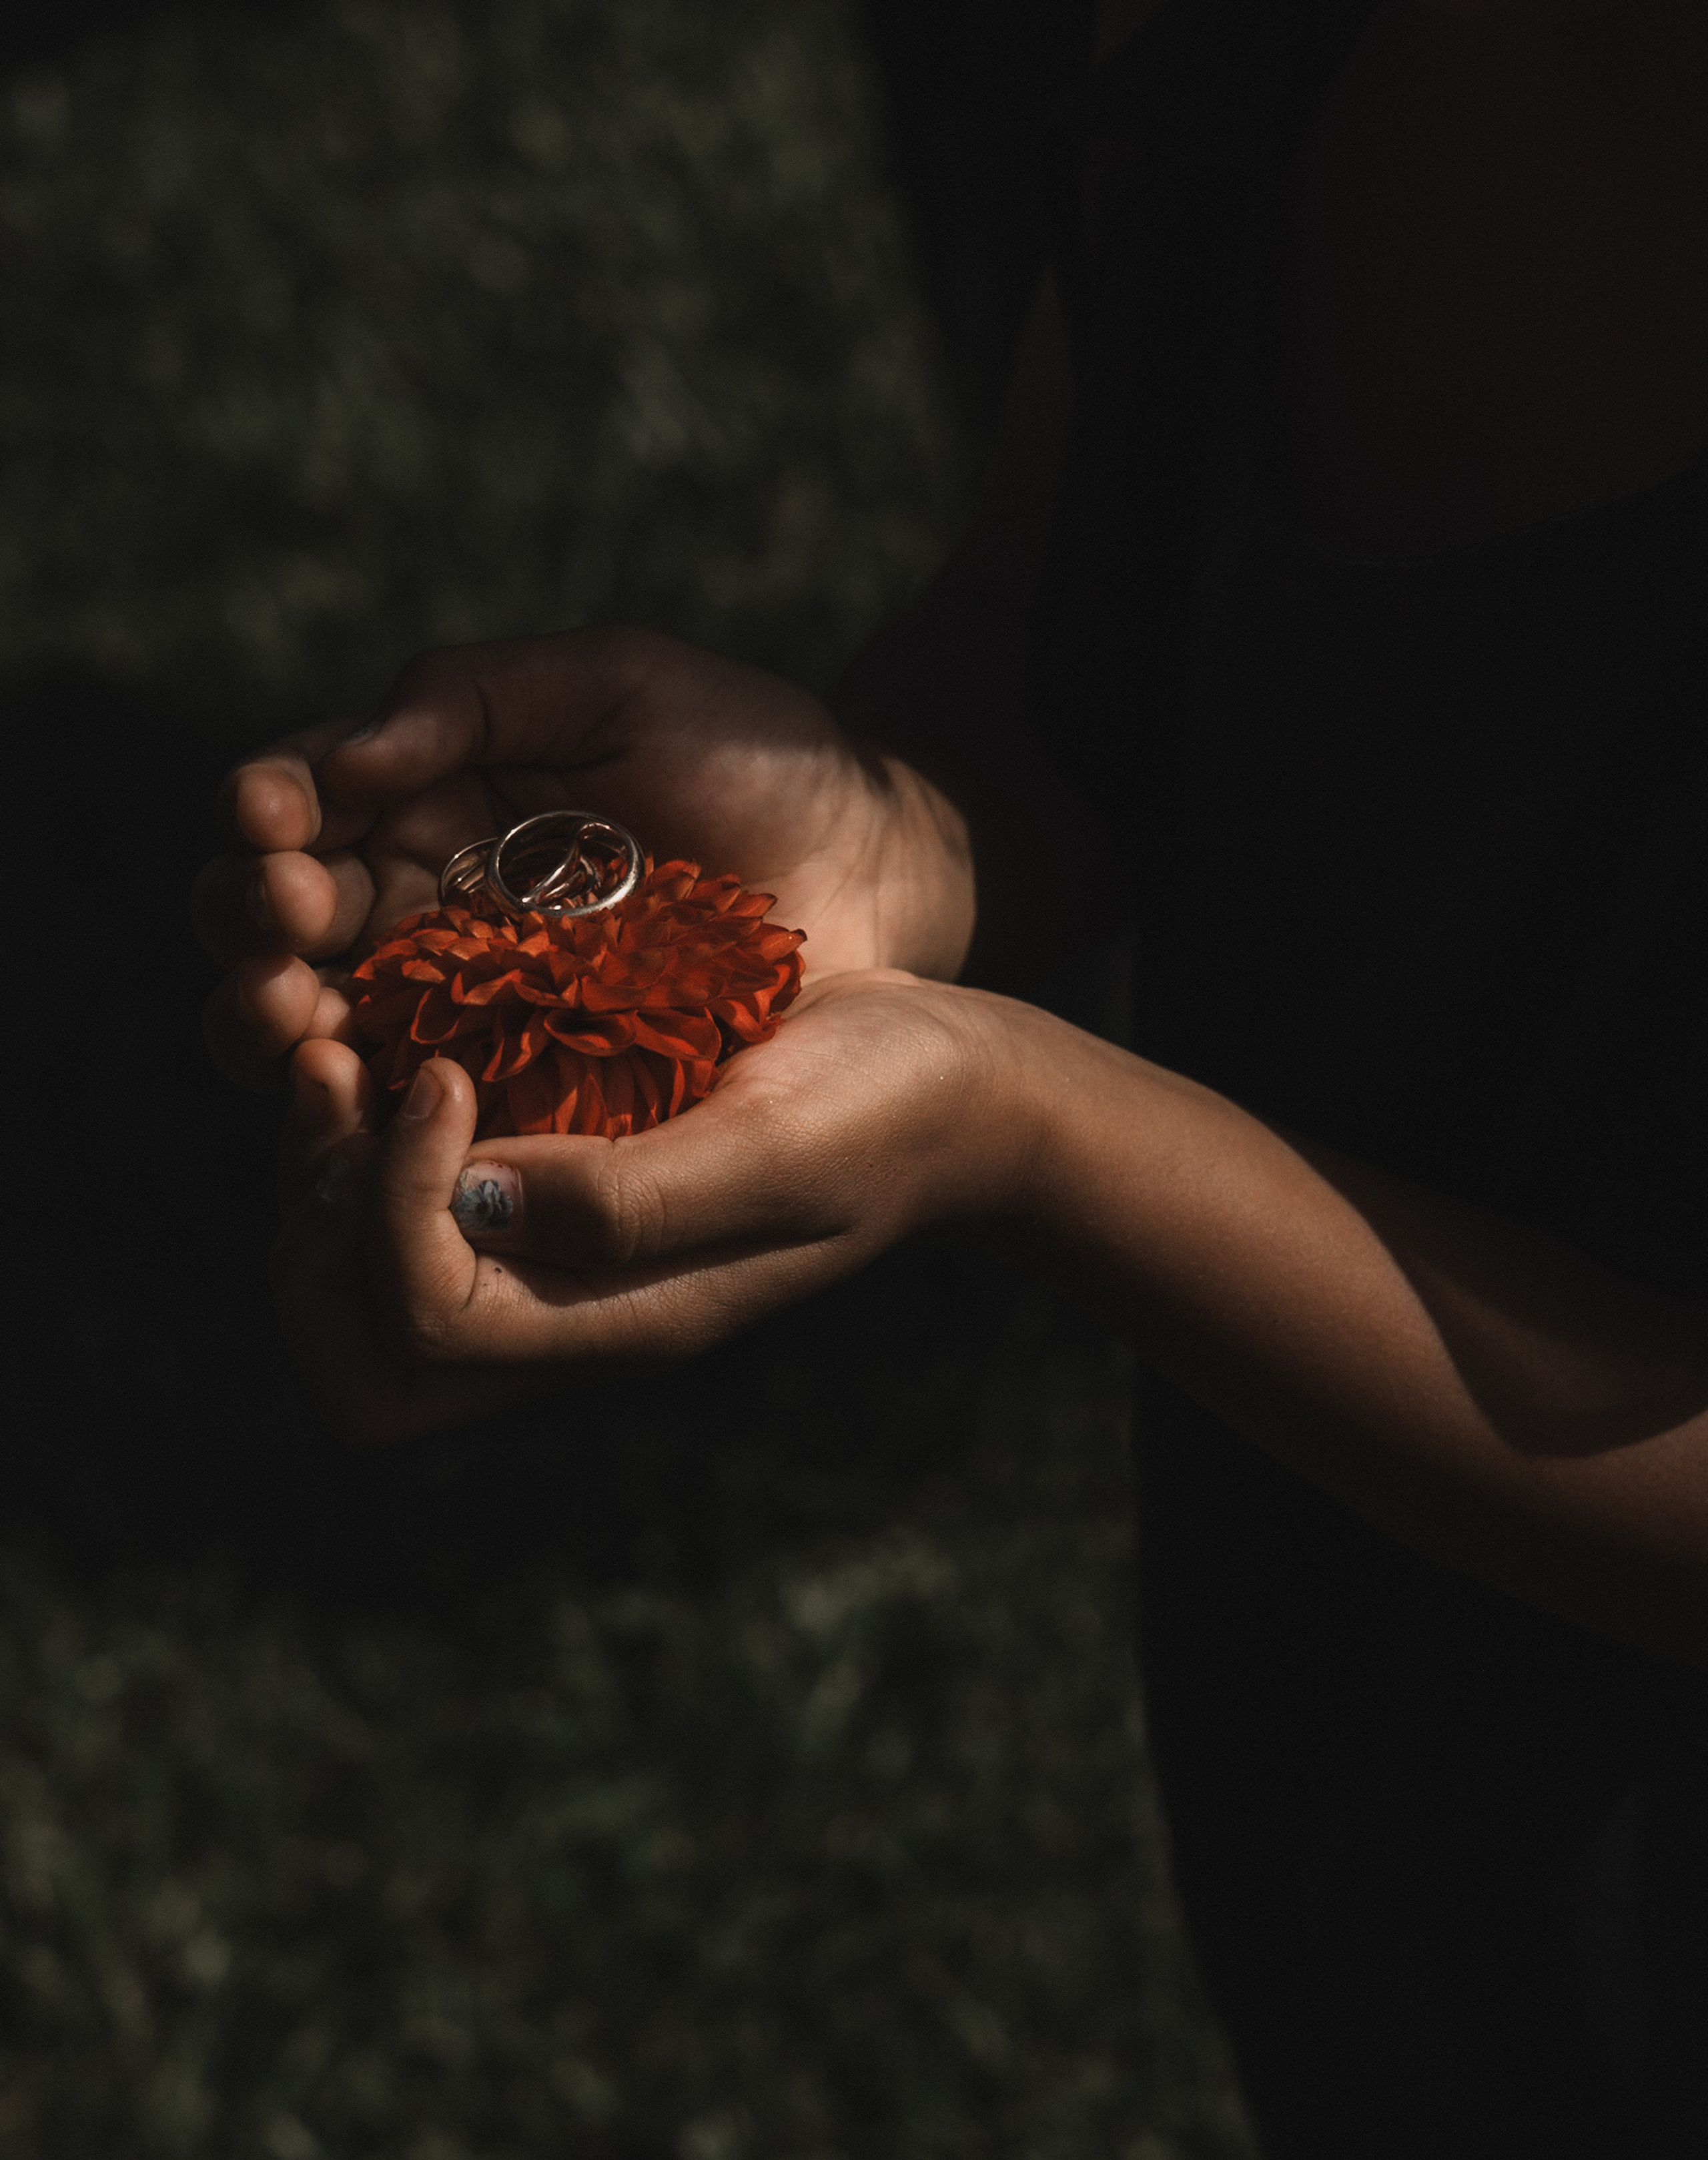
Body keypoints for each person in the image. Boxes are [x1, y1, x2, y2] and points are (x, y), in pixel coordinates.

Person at [193, 0, 1708, 2149]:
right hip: (1336, 1703)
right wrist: (887, 841)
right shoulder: (1273, 62)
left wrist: (1035, 1136)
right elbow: (1066, 621)